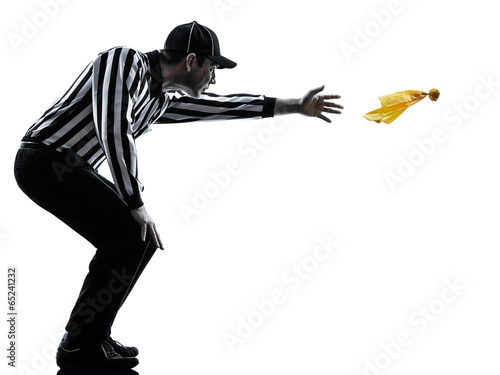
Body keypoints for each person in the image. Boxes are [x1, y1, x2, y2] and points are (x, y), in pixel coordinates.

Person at [13, 21, 343, 370]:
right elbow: (113, 128)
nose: (213, 78)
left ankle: (91, 337)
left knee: (138, 239)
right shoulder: (122, 62)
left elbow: (222, 106)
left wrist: (295, 106)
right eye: (212, 67)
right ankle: (78, 346)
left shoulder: (158, 101)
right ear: (191, 61)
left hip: (71, 168)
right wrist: (135, 202)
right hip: (44, 160)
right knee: (130, 231)